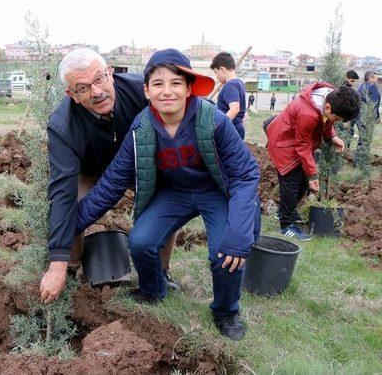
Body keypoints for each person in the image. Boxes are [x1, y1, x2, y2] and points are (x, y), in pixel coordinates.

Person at [74, 48, 260, 340]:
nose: (167, 91)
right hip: (175, 193)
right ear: (146, 91)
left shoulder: (214, 120)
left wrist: (240, 233)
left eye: (176, 83)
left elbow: (246, 173)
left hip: (215, 192)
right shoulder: (141, 129)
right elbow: (111, 184)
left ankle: (226, 311)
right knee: (140, 241)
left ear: (188, 88)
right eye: (158, 84)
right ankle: (153, 290)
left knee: (225, 251)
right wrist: (72, 223)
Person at [39, 48, 179, 306]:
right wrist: (56, 263)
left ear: (110, 74)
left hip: (142, 166)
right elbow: (62, 191)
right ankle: (73, 266)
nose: (96, 91)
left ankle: (160, 270)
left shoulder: (143, 92)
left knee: (166, 198)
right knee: (72, 204)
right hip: (91, 171)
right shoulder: (62, 126)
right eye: (83, 88)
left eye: (100, 79)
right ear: (72, 95)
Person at [265, 84, 360, 241]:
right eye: (337, 118)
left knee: (302, 183)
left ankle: (284, 211)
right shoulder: (307, 113)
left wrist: (331, 137)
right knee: (292, 184)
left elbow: (326, 122)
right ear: (328, 107)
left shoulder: (328, 99)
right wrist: (313, 176)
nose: (336, 121)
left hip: (299, 145)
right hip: (284, 145)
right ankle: (286, 225)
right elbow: (302, 147)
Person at [210, 52, 247, 139]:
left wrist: (219, 127)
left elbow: (234, 109)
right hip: (237, 128)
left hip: (231, 130)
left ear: (222, 69)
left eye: (216, 72)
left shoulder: (230, 85)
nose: (216, 77)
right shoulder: (239, 83)